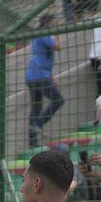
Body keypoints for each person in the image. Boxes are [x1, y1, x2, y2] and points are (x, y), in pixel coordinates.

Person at [26, 15, 64, 148]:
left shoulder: (37, 35)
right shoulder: (44, 33)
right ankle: (38, 124)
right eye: (54, 21)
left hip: (32, 75)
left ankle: (32, 141)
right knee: (58, 100)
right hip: (40, 75)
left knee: (36, 107)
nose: (55, 24)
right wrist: (58, 34)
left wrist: (51, 76)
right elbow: (58, 47)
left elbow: (44, 56)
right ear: (48, 23)